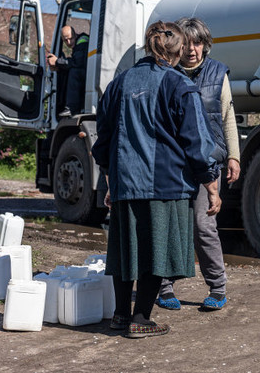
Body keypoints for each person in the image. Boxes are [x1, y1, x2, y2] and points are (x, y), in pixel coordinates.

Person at [91, 21, 221, 338]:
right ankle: (140, 318)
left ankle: (121, 316)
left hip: (125, 185)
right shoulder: (180, 86)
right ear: (177, 52)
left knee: (126, 252)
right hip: (166, 185)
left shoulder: (118, 84)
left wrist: (110, 180)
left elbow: (102, 142)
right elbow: (197, 142)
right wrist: (211, 184)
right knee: (155, 253)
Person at [156, 17, 240, 311]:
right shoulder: (167, 73)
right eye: (188, 42)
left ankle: (217, 287)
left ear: (205, 45)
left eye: (198, 42)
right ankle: (164, 288)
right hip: (174, 164)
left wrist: (233, 155)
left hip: (208, 162)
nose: (193, 49)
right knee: (170, 227)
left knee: (204, 226)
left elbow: (227, 116)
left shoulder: (218, 72)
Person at [47, 25, 89, 117]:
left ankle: (72, 108)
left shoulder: (83, 41)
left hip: (88, 76)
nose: (69, 42)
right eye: (65, 40)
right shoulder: (78, 43)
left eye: (71, 38)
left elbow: (77, 62)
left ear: (75, 34)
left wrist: (57, 62)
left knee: (74, 71)